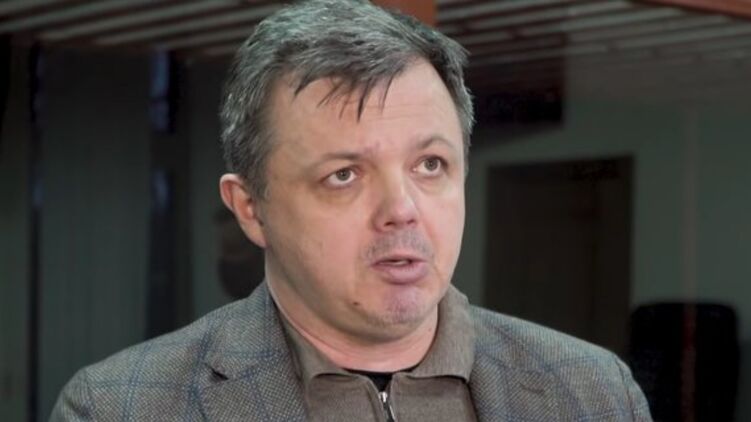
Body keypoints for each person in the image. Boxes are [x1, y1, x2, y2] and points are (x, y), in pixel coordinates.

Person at [51, 0, 652, 420]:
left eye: (430, 165)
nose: (402, 209)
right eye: (344, 175)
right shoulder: (121, 406)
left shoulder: (594, 393)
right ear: (250, 208)